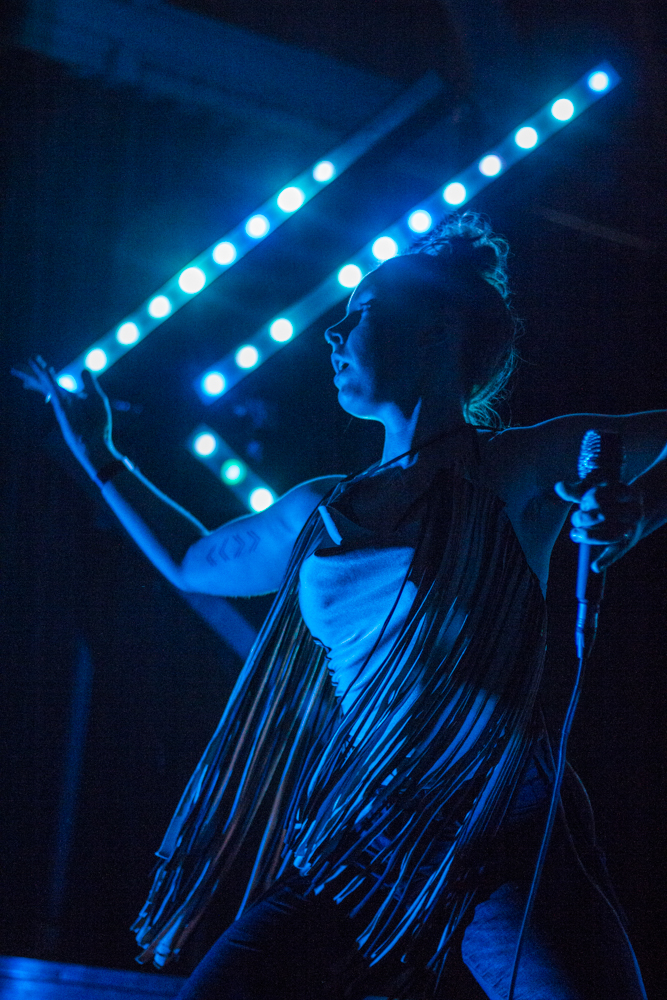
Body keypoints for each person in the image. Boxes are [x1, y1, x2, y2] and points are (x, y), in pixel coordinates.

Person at [17, 213, 666, 1000]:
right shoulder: (318, 509)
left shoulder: (516, 467)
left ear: (434, 333)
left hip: (503, 829)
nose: (332, 333)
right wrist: (101, 455)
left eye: (359, 312)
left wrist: (638, 511)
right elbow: (192, 562)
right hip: (367, 835)